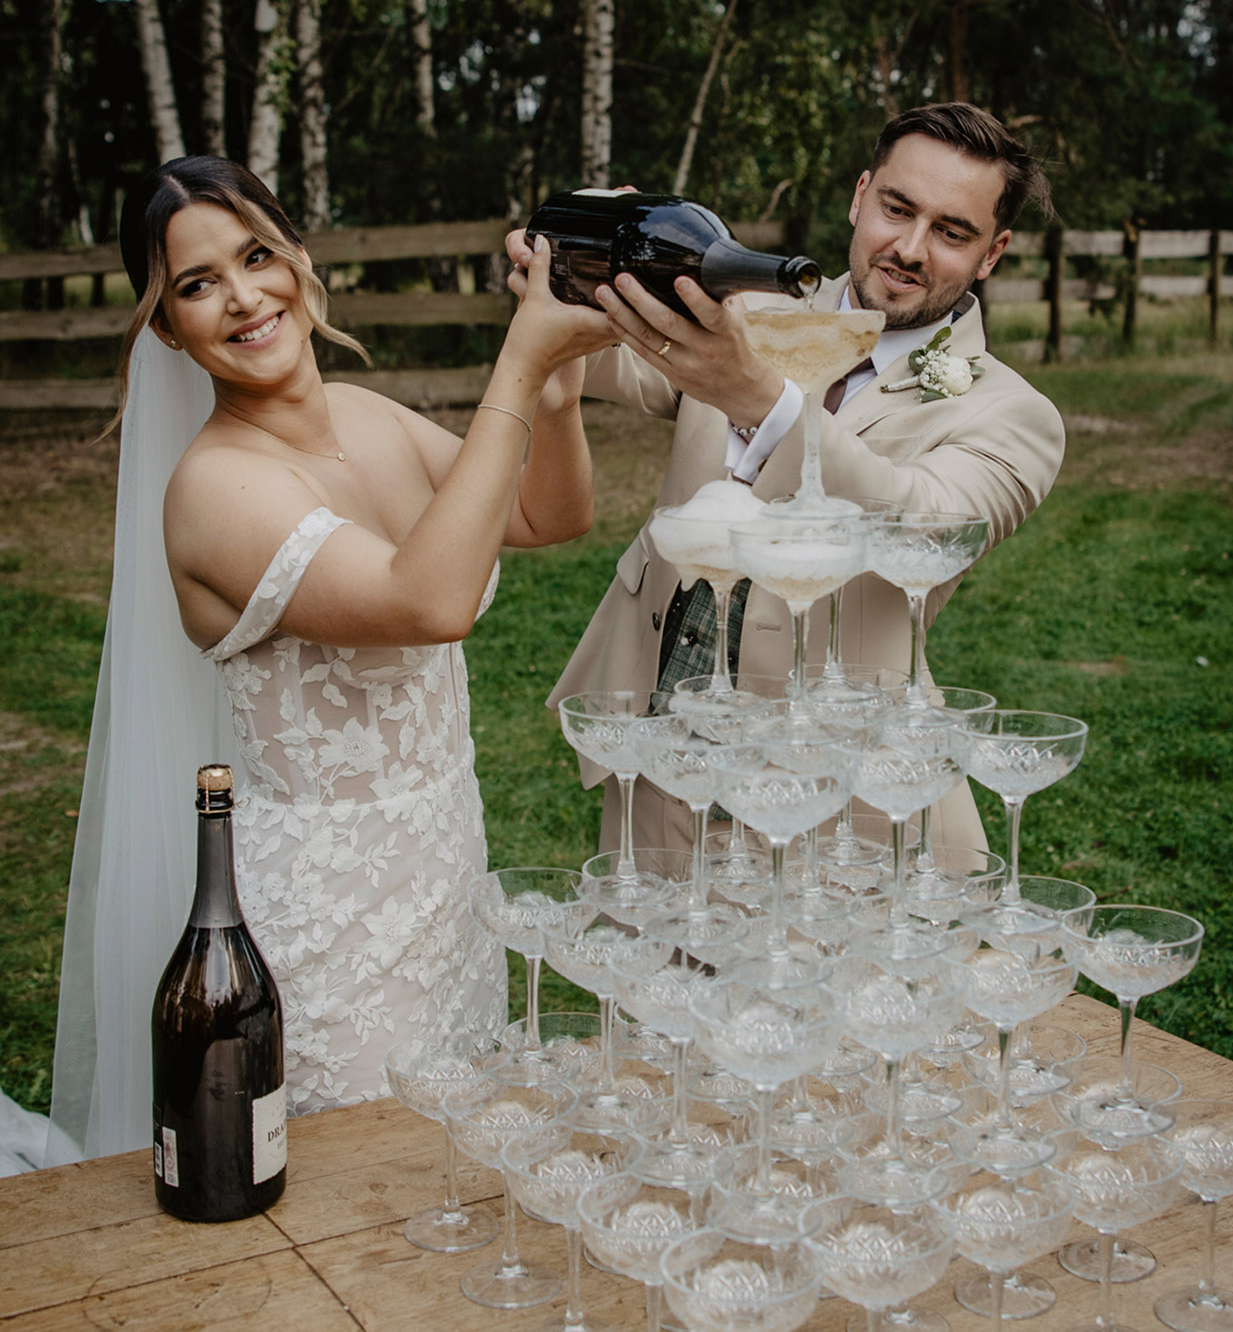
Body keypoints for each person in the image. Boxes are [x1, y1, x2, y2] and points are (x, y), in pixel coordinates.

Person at [48, 156, 609, 1161]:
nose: (243, 296)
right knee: (368, 1180)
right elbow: (427, 601)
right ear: (168, 327)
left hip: (446, 864)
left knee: (459, 1162)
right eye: (197, 284)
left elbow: (547, 511)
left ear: (302, 263)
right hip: (331, 917)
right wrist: (515, 368)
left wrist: (558, 391)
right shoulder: (216, 489)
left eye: (256, 255)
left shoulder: (363, 414)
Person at [507, 102, 1066, 853]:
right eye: (895, 208)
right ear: (859, 194)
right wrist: (568, 268)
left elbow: (926, 522)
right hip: (659, 724)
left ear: (990, 254)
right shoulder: (742, 307)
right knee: (655, 954)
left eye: (950, 231)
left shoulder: (1011, 413)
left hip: (841, 788)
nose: (908, 248)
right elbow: (608, 353)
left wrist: (759, 398)